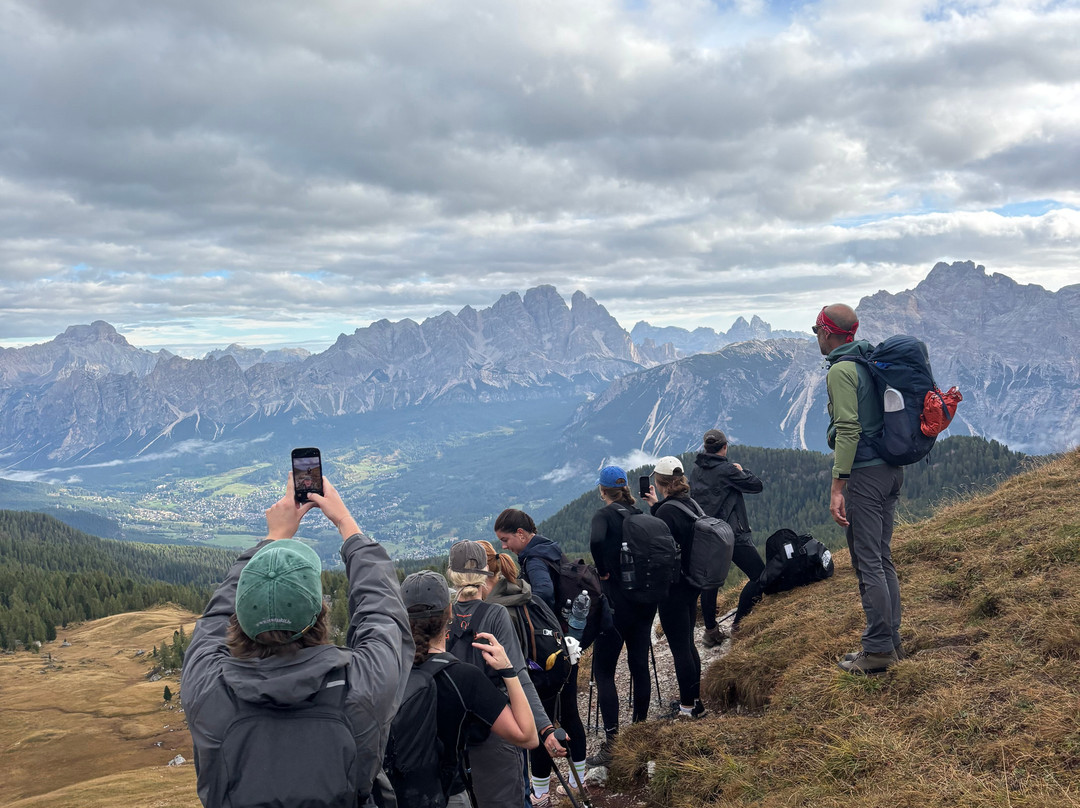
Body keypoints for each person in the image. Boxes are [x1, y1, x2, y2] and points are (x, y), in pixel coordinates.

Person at [183, 474, 412, 808]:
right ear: (320, 617)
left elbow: (214, 618)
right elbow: (384, 612)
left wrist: (273, 537)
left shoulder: (207, 690)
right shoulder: (362, 690)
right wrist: (345, 523)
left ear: (240, 618)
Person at [816, 303, 905, 675]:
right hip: (890, 470)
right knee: (881, 558)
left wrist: (839, 484)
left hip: (865, 476)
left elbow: (849, 430)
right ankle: (889, 642)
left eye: (816, 329)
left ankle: (879, 649)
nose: (816, 337)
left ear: (828, 332)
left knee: (868, 561)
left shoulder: (841, 370)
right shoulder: (868, 360)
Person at [400, 570, 538, 807]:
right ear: (450, 613)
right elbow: (527, 736)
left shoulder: (384, 673)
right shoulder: (462, 677)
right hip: (446, 795)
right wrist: (508, 670)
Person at [446, 540, 559, 808]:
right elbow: (517, 674)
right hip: (498, 728)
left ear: (451, 574)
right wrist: (545, 728)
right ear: (486, 571)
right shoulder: (495, 614)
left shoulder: (444, 615)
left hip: (452, 734)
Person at [488, 518, 588, 807]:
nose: (504, 545)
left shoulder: (529, 567)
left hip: (539, 667)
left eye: (505, 539)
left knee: (538, 725)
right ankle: (576, 781)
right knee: (570, 715)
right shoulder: (546, 555)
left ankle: (541, 793)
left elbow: (543, 591)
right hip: (563, 651)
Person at [586, 465, 655, 767]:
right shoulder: (640, 516)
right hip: (643, 602)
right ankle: (639, 730)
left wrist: (602, 571)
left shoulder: (604, 515)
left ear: (602, 490)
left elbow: (596, 542)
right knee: (639, 664)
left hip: (615, 603)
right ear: (625, 486)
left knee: (604, 672)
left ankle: (613, 743)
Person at [641, 457, 705, 719]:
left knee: (680, 647)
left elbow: (662, 546)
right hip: (692, 583)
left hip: (675, 588)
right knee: (688, 644)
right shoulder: (688, 503)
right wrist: (656, 506)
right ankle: (695, 700)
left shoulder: (668, 511)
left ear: (659, 481)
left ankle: (688, 708)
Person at [689, 429, 766, 644]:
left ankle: (711, 631)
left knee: (710, 583)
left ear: (705, 448)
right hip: (732, 534)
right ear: (724, 447)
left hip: (708, 534)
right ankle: (739, 623)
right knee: (760, 576)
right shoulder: (727, 470)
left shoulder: (696, 471)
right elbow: (756, 485)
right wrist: (742, 470)